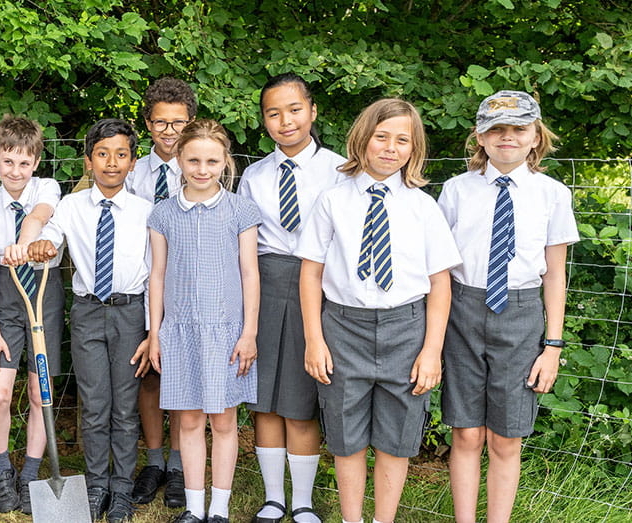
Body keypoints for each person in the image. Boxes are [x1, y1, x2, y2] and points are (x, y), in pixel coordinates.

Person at [296, 98, 460, 523]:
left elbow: (440, 283)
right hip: (342, 329)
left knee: (396, 439)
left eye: (402, 140)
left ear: (414, 148)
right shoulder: (333, 200)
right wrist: (314, 340)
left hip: (406, 330)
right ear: (363, 140)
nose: (390, 147)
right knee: (346, 439)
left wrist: (431, 351)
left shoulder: (423, 206)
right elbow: (311, 274)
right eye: (381, 137)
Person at [438, 90, 577, 523]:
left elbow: (555, 274)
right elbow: (439, 267)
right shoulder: (456, 190)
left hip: (520, 317)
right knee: (465, 434)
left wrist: (552, 345)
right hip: (462, 310)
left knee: (506, 438)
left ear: (536, 136)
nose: (507, 137)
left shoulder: (552, 194)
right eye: (496, 129)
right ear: (479, 136)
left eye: (519, 129)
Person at [27, 118, 151, 522]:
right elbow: (52, 236)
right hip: (87, 312)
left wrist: (152, 327)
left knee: (125, 407)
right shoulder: (71, 206)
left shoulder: (146, 212)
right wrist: (43, 243)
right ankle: (96, 484)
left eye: (121, 155)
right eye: (102, 154)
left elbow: (156, 271)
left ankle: (122, 489)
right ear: (88, 161)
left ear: (133, 162)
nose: (111, 163)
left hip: (130, 312)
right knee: (95, 404)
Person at [236, 73, 344, 523]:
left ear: (312, 111)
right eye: (273, 113)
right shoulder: (254, 175)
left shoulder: (342, 170)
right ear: (264, 120)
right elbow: (242, 242)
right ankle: (272, 497)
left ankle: (301, 500)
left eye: (294, 109)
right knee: (265, 397)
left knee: (300, 395)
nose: (285, 121)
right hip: (264, 283)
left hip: (318, 285)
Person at [148, 119, 261, 523]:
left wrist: (249, 332)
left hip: (227, 332)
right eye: (193, 159)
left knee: (224, 419)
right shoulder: (163, 213)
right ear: (178, 159)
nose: (202, 169)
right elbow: (157, 275)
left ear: (225, 161)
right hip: (179, 332)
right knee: (190, 419)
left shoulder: (240, 210)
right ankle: (194, 509)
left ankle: (219, 508)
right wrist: (156, 333)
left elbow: (250, 273)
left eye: (212, 161)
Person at [0, 115, 63, 515]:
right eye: (8, 162)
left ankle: (29, 473)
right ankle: (1, 469)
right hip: (8, 303)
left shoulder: (46, 187)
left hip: (44, 296)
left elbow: (39, 215)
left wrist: (24, 242)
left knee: (37, 391)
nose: (16, 171)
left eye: (24, 163)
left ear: (35, 164)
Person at [126, 77, 198, 509]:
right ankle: (153, 460)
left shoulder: (204, 167)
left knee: (183, 376)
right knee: (148, 374)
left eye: (178, 123)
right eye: (160, 123)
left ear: (190, 122)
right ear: (148, 123)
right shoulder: (132, 171)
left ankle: (178, 464)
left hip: (187, 285)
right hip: (141, 282)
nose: (169, 131)